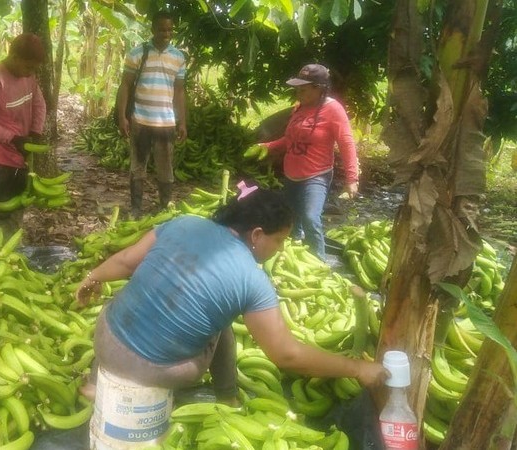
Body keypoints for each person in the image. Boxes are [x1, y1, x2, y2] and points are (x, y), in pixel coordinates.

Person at [74, 184, 387, 406]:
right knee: (221, 323)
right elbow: (286, 355)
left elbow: (126, 261)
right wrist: (357, 369)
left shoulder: (183, 222)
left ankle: (93, 385)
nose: (281, 248)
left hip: (104, 340)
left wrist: (93, 277)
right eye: (279, 241)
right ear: (257, 235)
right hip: (155, 370)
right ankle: (228, 397)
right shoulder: (252, 279)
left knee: (134, 296)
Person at [256, 64, 359, 261]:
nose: (298, 92)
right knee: (291, 221)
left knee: (311, 218)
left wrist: (352, 179)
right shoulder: (299, 108)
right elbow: (290, 139)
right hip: (291, 174)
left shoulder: (333, 110)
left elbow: (347, 144)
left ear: (319, 88)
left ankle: (318, 262)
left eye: (303, 89)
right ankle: (295, 259)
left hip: (316, 175)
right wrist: (268, 146)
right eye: (297, 88)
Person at [0, 33, 47, 234]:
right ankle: (0, 250)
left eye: (34, 68)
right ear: (14, 57)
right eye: (28, 66)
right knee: (5, 205)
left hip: (21, 152)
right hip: (1, 157)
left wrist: (35, 132)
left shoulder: (28, 76)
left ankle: (11, 244)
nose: (31, 72)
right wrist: (12, 138)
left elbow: (38, 102)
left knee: (19, 203)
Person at [116, 10, 187, 218]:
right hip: (140, 120)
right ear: (152, 29)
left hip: (166, 122)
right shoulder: (137, 53)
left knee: (165, 168)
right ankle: (136, 209)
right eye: (162, 29)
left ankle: (164, 207)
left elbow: (180, 91)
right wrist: (122, 117)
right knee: (138, 166)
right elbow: (125, 85)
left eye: (169, 29)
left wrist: (182, 122)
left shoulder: (179, 57)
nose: (166, 33)